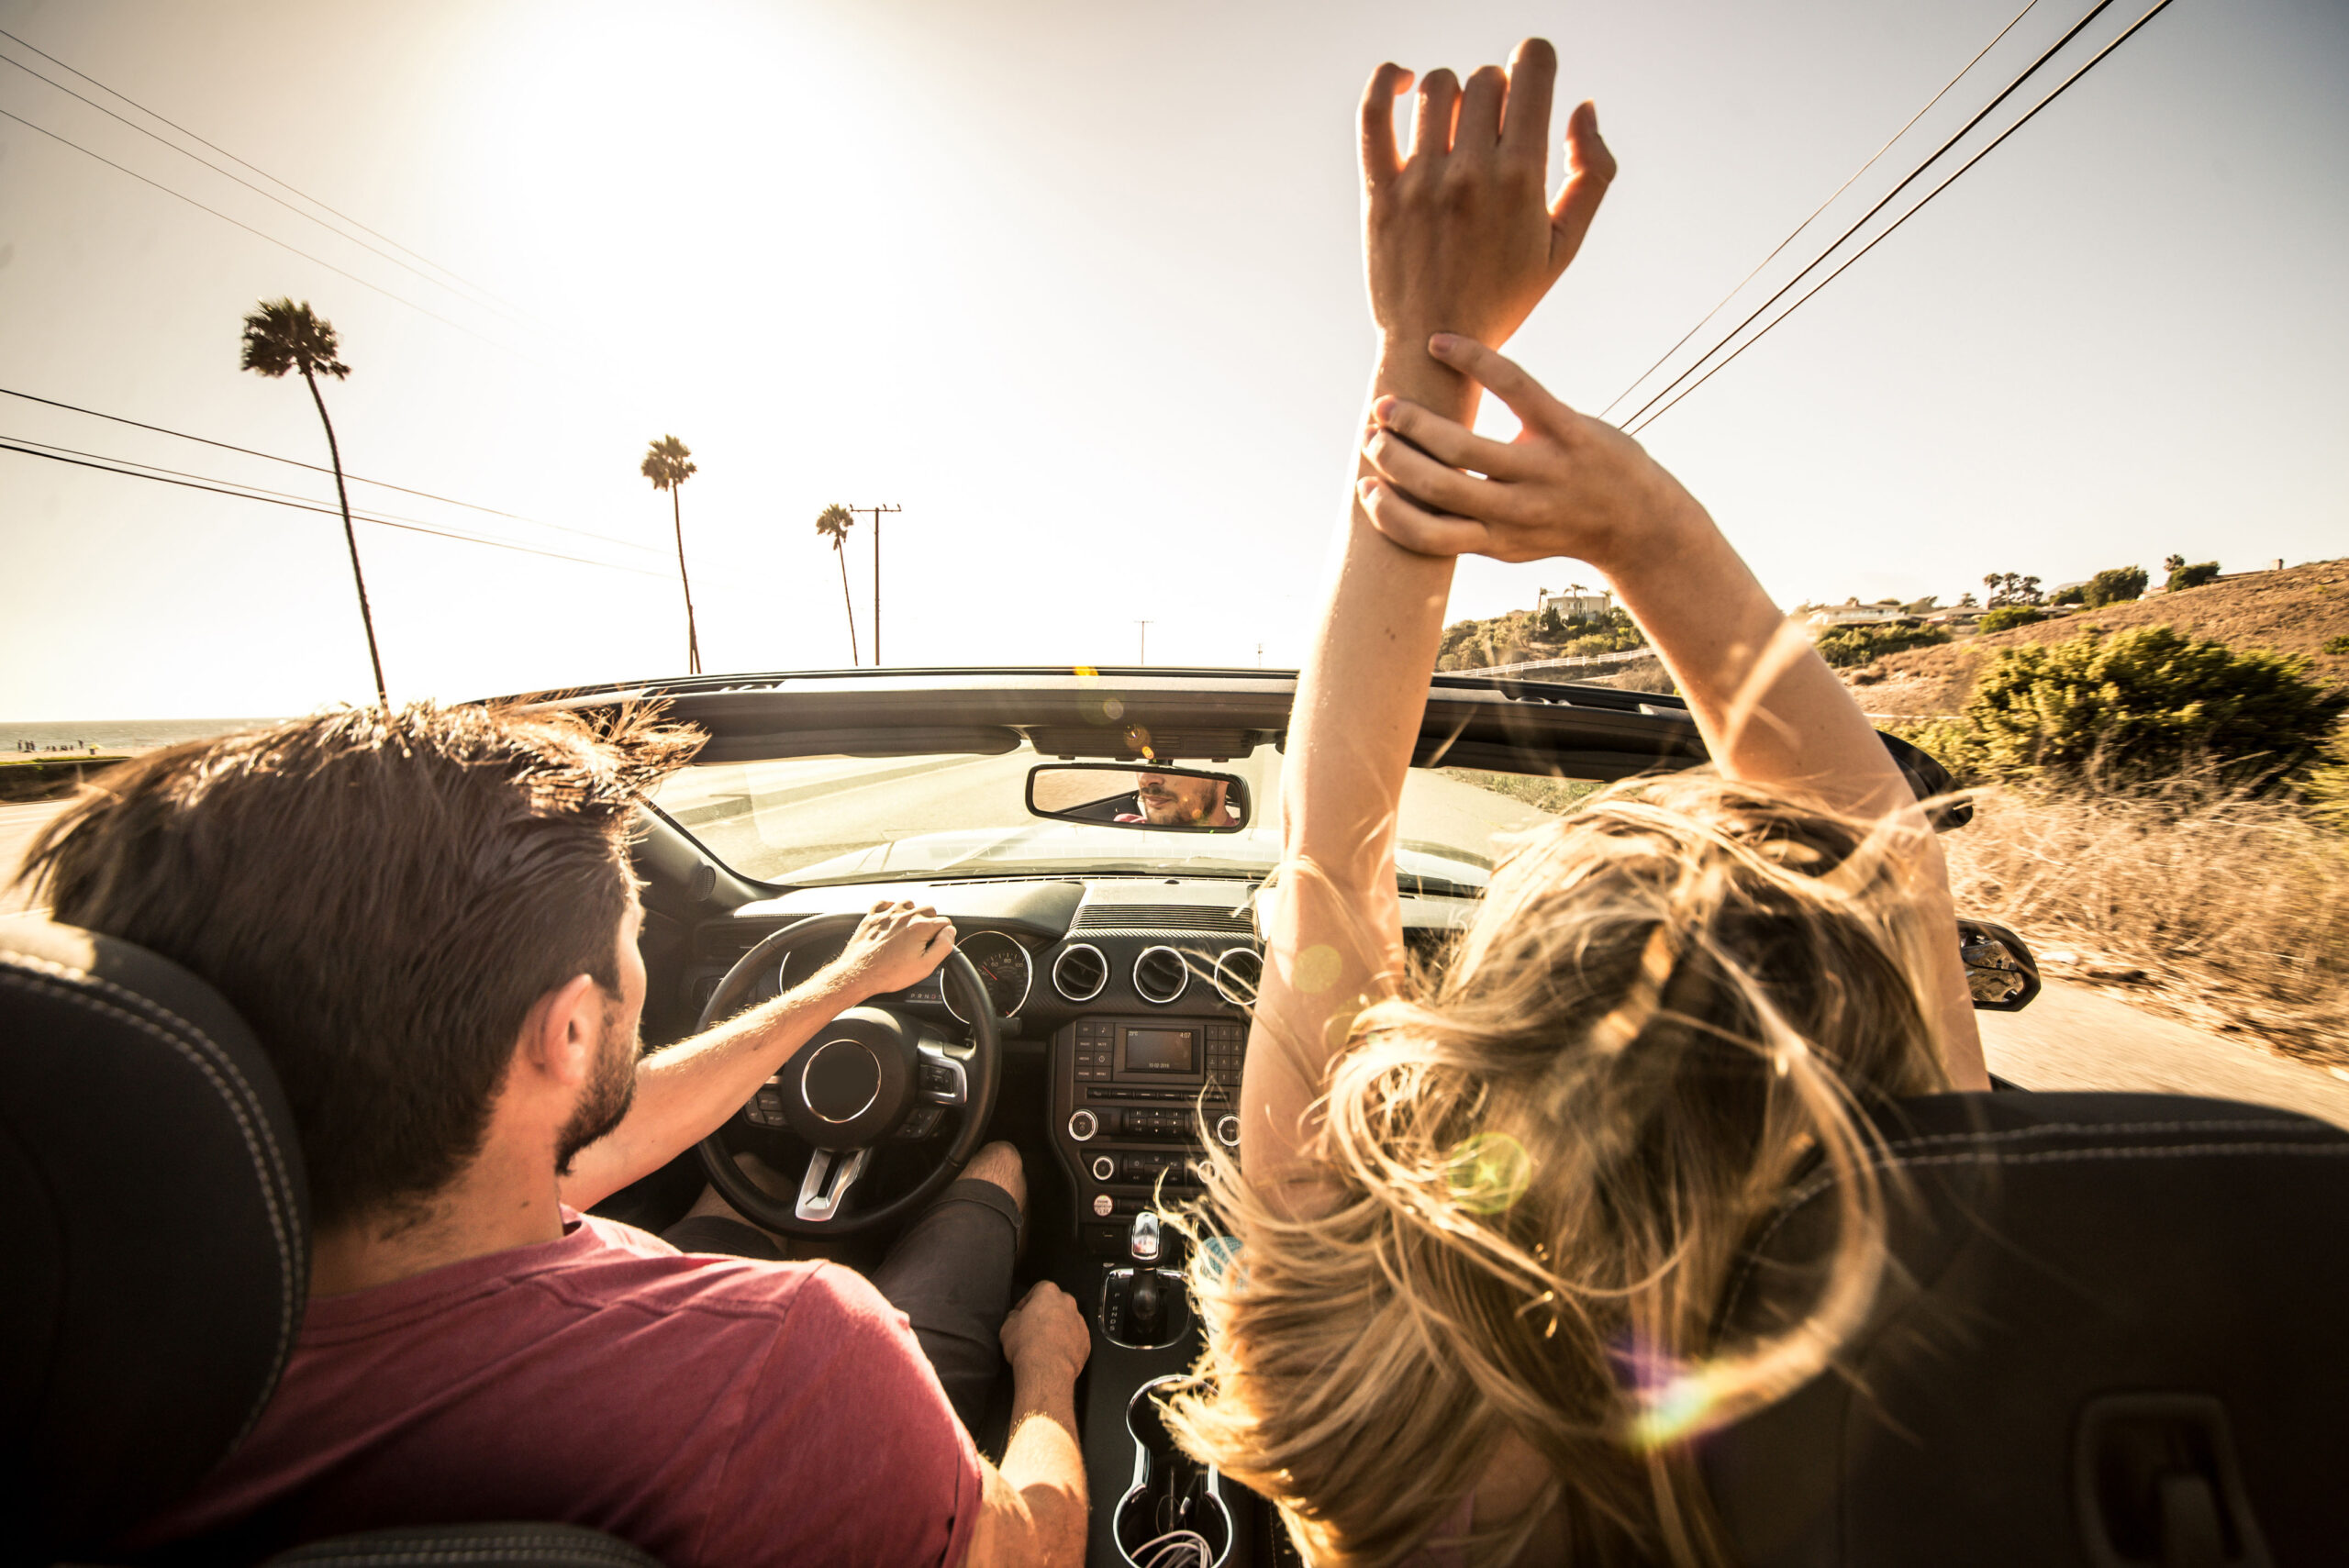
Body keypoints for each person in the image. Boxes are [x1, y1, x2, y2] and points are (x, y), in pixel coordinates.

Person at [1167, 40, 1989, 1568]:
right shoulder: (1923, 1344)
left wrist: (1428, 352)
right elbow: (1890, 869)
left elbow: (1330, 867)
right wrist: (1642, 526)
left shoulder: (1357, 1379)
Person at [17, 704, 1091, 1568]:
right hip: (900, 1456)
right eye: (633, 945)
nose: (636, 974)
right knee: (993, 1166)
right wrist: (1046, 1369)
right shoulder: (797, 1357)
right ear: (570, 1033)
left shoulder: (70, 1366)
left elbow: (607, 1131)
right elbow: (1032, 1547)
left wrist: (843, 982)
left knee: (724, 1195)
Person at [1119, 769, 1241, 828]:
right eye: (1138, 758)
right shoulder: (1123, 831)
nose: (1144, 779)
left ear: (1223, 772)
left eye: (1170, 763)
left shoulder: (1248, 847)